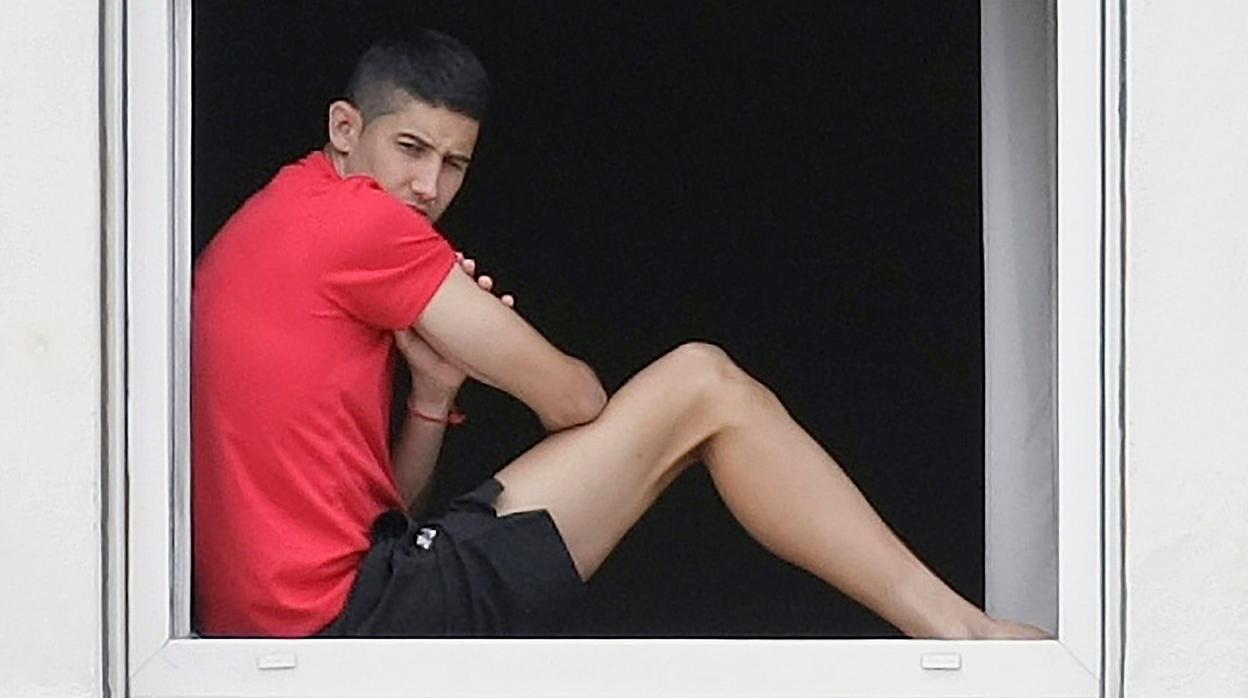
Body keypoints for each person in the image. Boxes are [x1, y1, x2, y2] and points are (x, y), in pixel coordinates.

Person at [192, 30, 1048, 640]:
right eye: (410, 148)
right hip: (346, 628)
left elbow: (390, 522)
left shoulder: (279, 216)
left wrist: (434, 394)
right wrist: (511, 354)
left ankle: (961, 631)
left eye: (453, 163)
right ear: (346, 128)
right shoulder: (360, 225)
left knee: (694, 406)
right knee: (704, 386)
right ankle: (967, 634)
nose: (427, 186)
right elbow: (575, 400)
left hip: (311, 622)